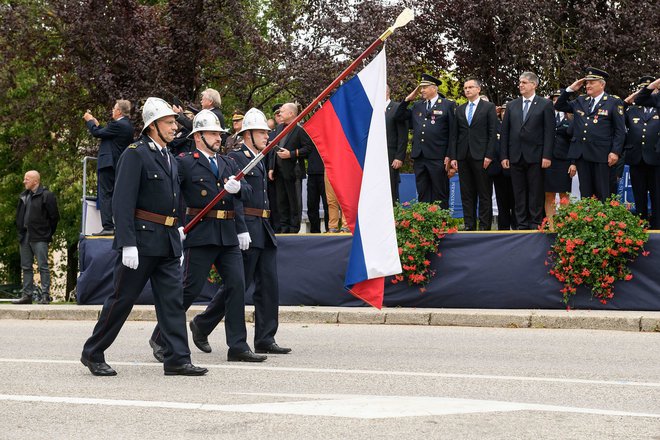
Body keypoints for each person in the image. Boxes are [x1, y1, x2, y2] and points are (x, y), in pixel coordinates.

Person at [81, 97, 207, 377]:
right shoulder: (136, 153)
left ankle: (177, 358)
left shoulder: (169, 158)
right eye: (169, 122)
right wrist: (126, 242)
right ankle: (93, 352)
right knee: (121, 300)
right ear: (153, 126)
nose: (175, 127)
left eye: (174, 122)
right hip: (141, 241)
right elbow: (122, 201)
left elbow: (174, 199)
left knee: (172, 301)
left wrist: (178, 228)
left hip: (167, 240)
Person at [150, 109, 266, 363]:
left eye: (220, 133)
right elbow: (170, 193)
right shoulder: (184, 161)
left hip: (227, 233)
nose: (218, 138)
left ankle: (237, 345)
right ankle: (160, 337)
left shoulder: (227, 163)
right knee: (189, 289)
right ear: (199, 136)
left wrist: (238, 190)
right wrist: (177, 225)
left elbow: (246, 192)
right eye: (213, 133)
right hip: (200, 232)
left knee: (237, 286)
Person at [228, 108, 291, 354]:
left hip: (263, 227)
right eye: (262, 132)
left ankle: (265, 337)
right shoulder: (236, 158)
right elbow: (235, 198)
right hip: (248, 228)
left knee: (268, 285)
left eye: (267, 132)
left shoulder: (260, 158)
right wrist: (241, 228)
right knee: (238, 285)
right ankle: (203, 323)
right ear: (248, 135)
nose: (267, 136)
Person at [554, 67, 626, 202]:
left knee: (603, 193)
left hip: (602, 155)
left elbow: (620, 130)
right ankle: (589, 222)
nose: (588, 85)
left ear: (602, 84)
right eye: (586, 83)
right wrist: (570, 89)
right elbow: (559, 105)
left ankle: (604, 222)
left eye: (591, 82)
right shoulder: (581, 100)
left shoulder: (613, 102)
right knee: (586, 194)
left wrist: (615, 151)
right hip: (583, 154)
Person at [501, 71, 555, 229]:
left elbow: (549, 133)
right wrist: (504, 155)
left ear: (534, 85)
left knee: (535, 192)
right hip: (516, 156)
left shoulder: (545, 104)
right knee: (518, 192)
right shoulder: (512, 105)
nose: (520, 85)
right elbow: (505, 132)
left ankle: (535, 223)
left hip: (536, 156)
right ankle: (521, 224)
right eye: (520, 82)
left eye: (524, 82)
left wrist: (547, 155)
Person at [395, 73, 456, 207]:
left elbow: (453, 133)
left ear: (434, 88)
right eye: (420, 88)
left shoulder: (447, 105)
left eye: (425, 87)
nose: (421, 90)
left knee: (440, 192)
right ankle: (426, 223)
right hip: (420, 156)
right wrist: (407, 100)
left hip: (438, 156)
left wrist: (450, 155)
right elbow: (398, 117)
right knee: (423, 192)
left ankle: (441, 225)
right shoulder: (418, 105)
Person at [449, 78, 498, 230]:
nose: (467, 90)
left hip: (482, 156)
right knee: (467, 193)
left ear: (478, 89)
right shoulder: (460, 109)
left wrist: (489, 155)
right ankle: (469, 225)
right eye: (465, 88)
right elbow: (455, 135)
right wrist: (454, 157)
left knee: (484, 193)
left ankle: (484, 226)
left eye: (470, 87)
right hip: (463, 156)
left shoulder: (488, 107)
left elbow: (492, 132)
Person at [84, 100, 134, 235]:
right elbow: (104, 134)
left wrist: (89, 121)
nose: (112, 110)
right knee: (115, 195)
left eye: (114, 108)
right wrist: (97, 124)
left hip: (108, 164)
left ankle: (108, 227)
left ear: (119, 111)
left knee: (105, 195)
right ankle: (115, 225)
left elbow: (97, 134)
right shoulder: (126, 125)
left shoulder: (118, 124)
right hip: (117, 164)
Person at [13, 171, 59, 305]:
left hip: (40, 236)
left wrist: (47, 233)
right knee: (26, 266)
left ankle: (45, 295)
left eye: (27, 179)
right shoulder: (23, 196)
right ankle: (27, 295)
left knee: (43, 266)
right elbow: (19, 216)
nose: (24, 181)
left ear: (35, 181)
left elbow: (54, 217)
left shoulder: (47, 195)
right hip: (25, 236)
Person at [622, 77, 660, 228]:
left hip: (656, 158)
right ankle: (641, 225)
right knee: (639, 194)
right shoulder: (632, 110)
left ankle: (657, 227)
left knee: (657, 195)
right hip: (636, 158)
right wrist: (629, 99)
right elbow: (618, 116)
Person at [269, 102, 312, 233]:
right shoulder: (279, 128)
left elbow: (308, 148)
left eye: (282, 111)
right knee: (281, 202)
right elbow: (273, 149)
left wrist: (291, 154)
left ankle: (294, 228)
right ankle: (284, 227)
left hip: (293, 172)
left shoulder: (300, 129)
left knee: (294, 202)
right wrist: (271, 167)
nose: (279, 113)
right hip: (278, 172)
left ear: (291, 113)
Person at [544, 90, 575, 230]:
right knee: (549, 194)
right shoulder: (546, 116)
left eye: (558, 99)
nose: (556, 101)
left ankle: (565, 226)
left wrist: (573, 162)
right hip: (548, 160)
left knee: (564, 194)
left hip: (564, 161)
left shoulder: (571, 118)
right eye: (554, 99)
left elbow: (575, 141)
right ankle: (551, 226)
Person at [385, 85, 408, 204]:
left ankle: (394, 218)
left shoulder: (397, 108)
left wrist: (399, 157)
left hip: (391, 156)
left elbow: (403, 136)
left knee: (391, 187)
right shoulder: (373, 110)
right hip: (375, 157)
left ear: (386, 92)